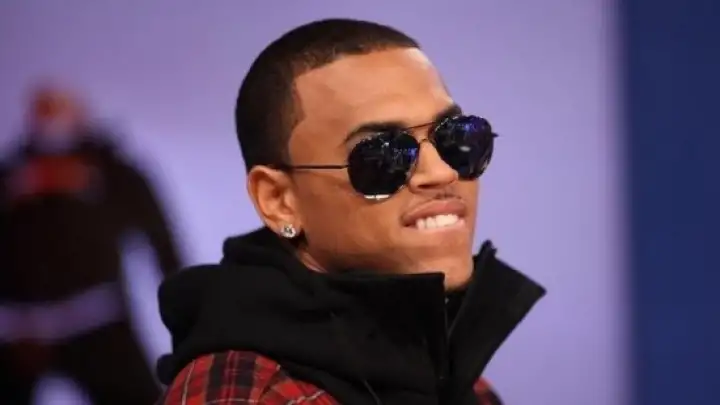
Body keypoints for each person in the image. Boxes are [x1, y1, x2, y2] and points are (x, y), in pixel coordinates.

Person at [156, 18, 546, 405]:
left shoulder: (462, 382)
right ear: (279, 201)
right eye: (382, 156)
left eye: (456, 138)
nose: (442, 172)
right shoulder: (248, 396)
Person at [0, 86, 183, 405]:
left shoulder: (113, 173)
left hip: (95, 320)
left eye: (59, 110)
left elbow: (159, 236)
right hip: (23, 332)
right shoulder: (11, 176)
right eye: (43, 110)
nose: (51, 120)